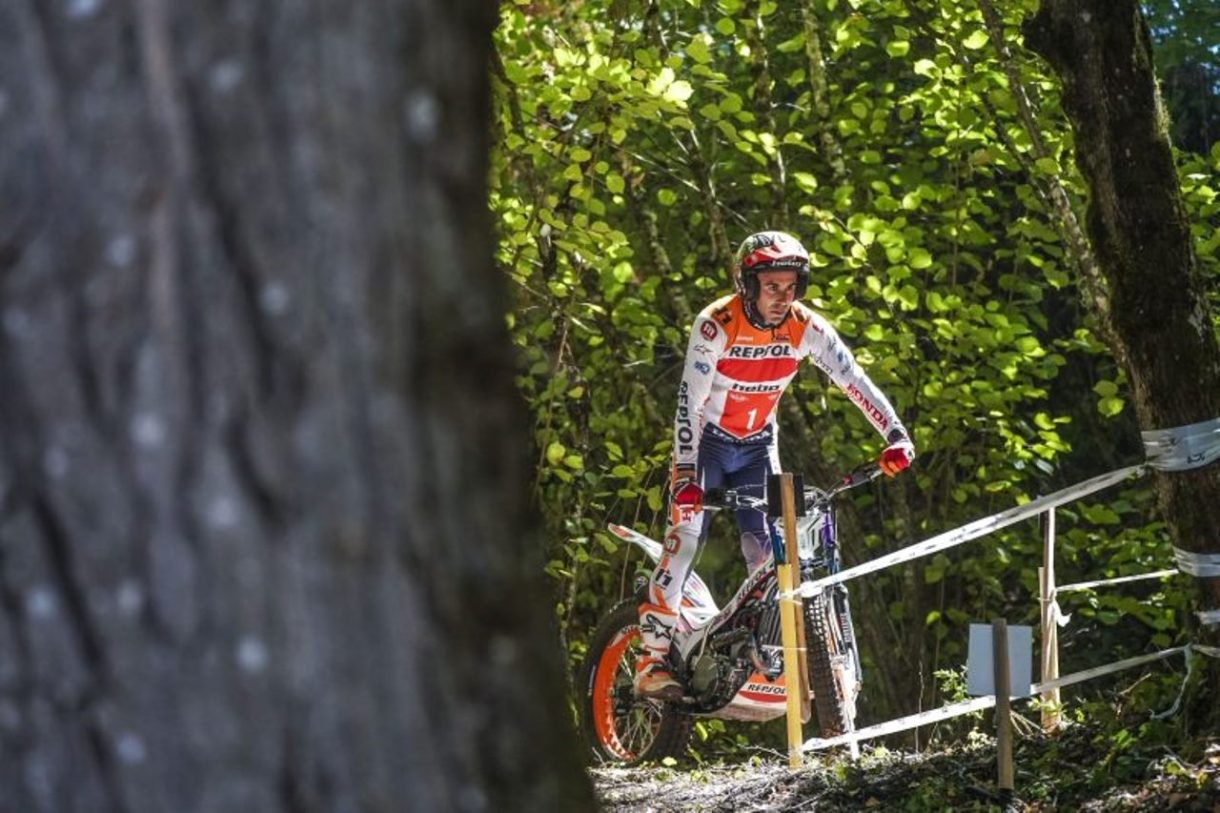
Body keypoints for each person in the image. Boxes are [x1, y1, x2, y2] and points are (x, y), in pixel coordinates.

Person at [635, 230, 915, 700]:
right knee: (685, 537)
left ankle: (761, 650)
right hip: (706, 446)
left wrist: (895, 433)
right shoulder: (715, 324)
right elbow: (689, 403)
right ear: (747, 284)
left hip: (758, 445)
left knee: (769, 556)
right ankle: (651, 660)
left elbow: (852, 378)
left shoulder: (806, 327)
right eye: (772, 287)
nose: (783, 298)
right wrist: (684, 474)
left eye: (792, 287)